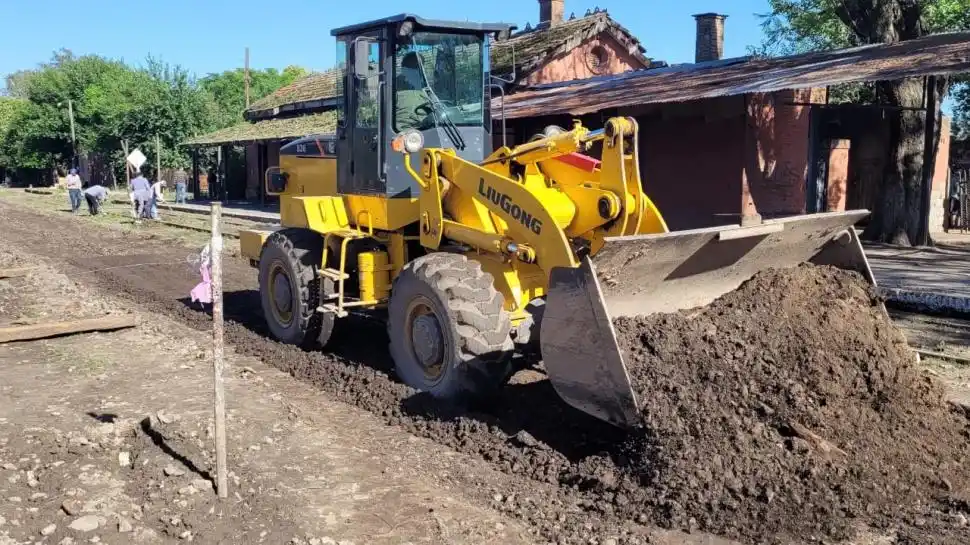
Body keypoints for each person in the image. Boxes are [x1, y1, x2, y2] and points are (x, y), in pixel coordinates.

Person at [395, 51, 433, 131]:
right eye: (419, 66)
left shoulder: (426, 86)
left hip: (426, 130)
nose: (422, 70)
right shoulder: (394, 87)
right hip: (402, 134)